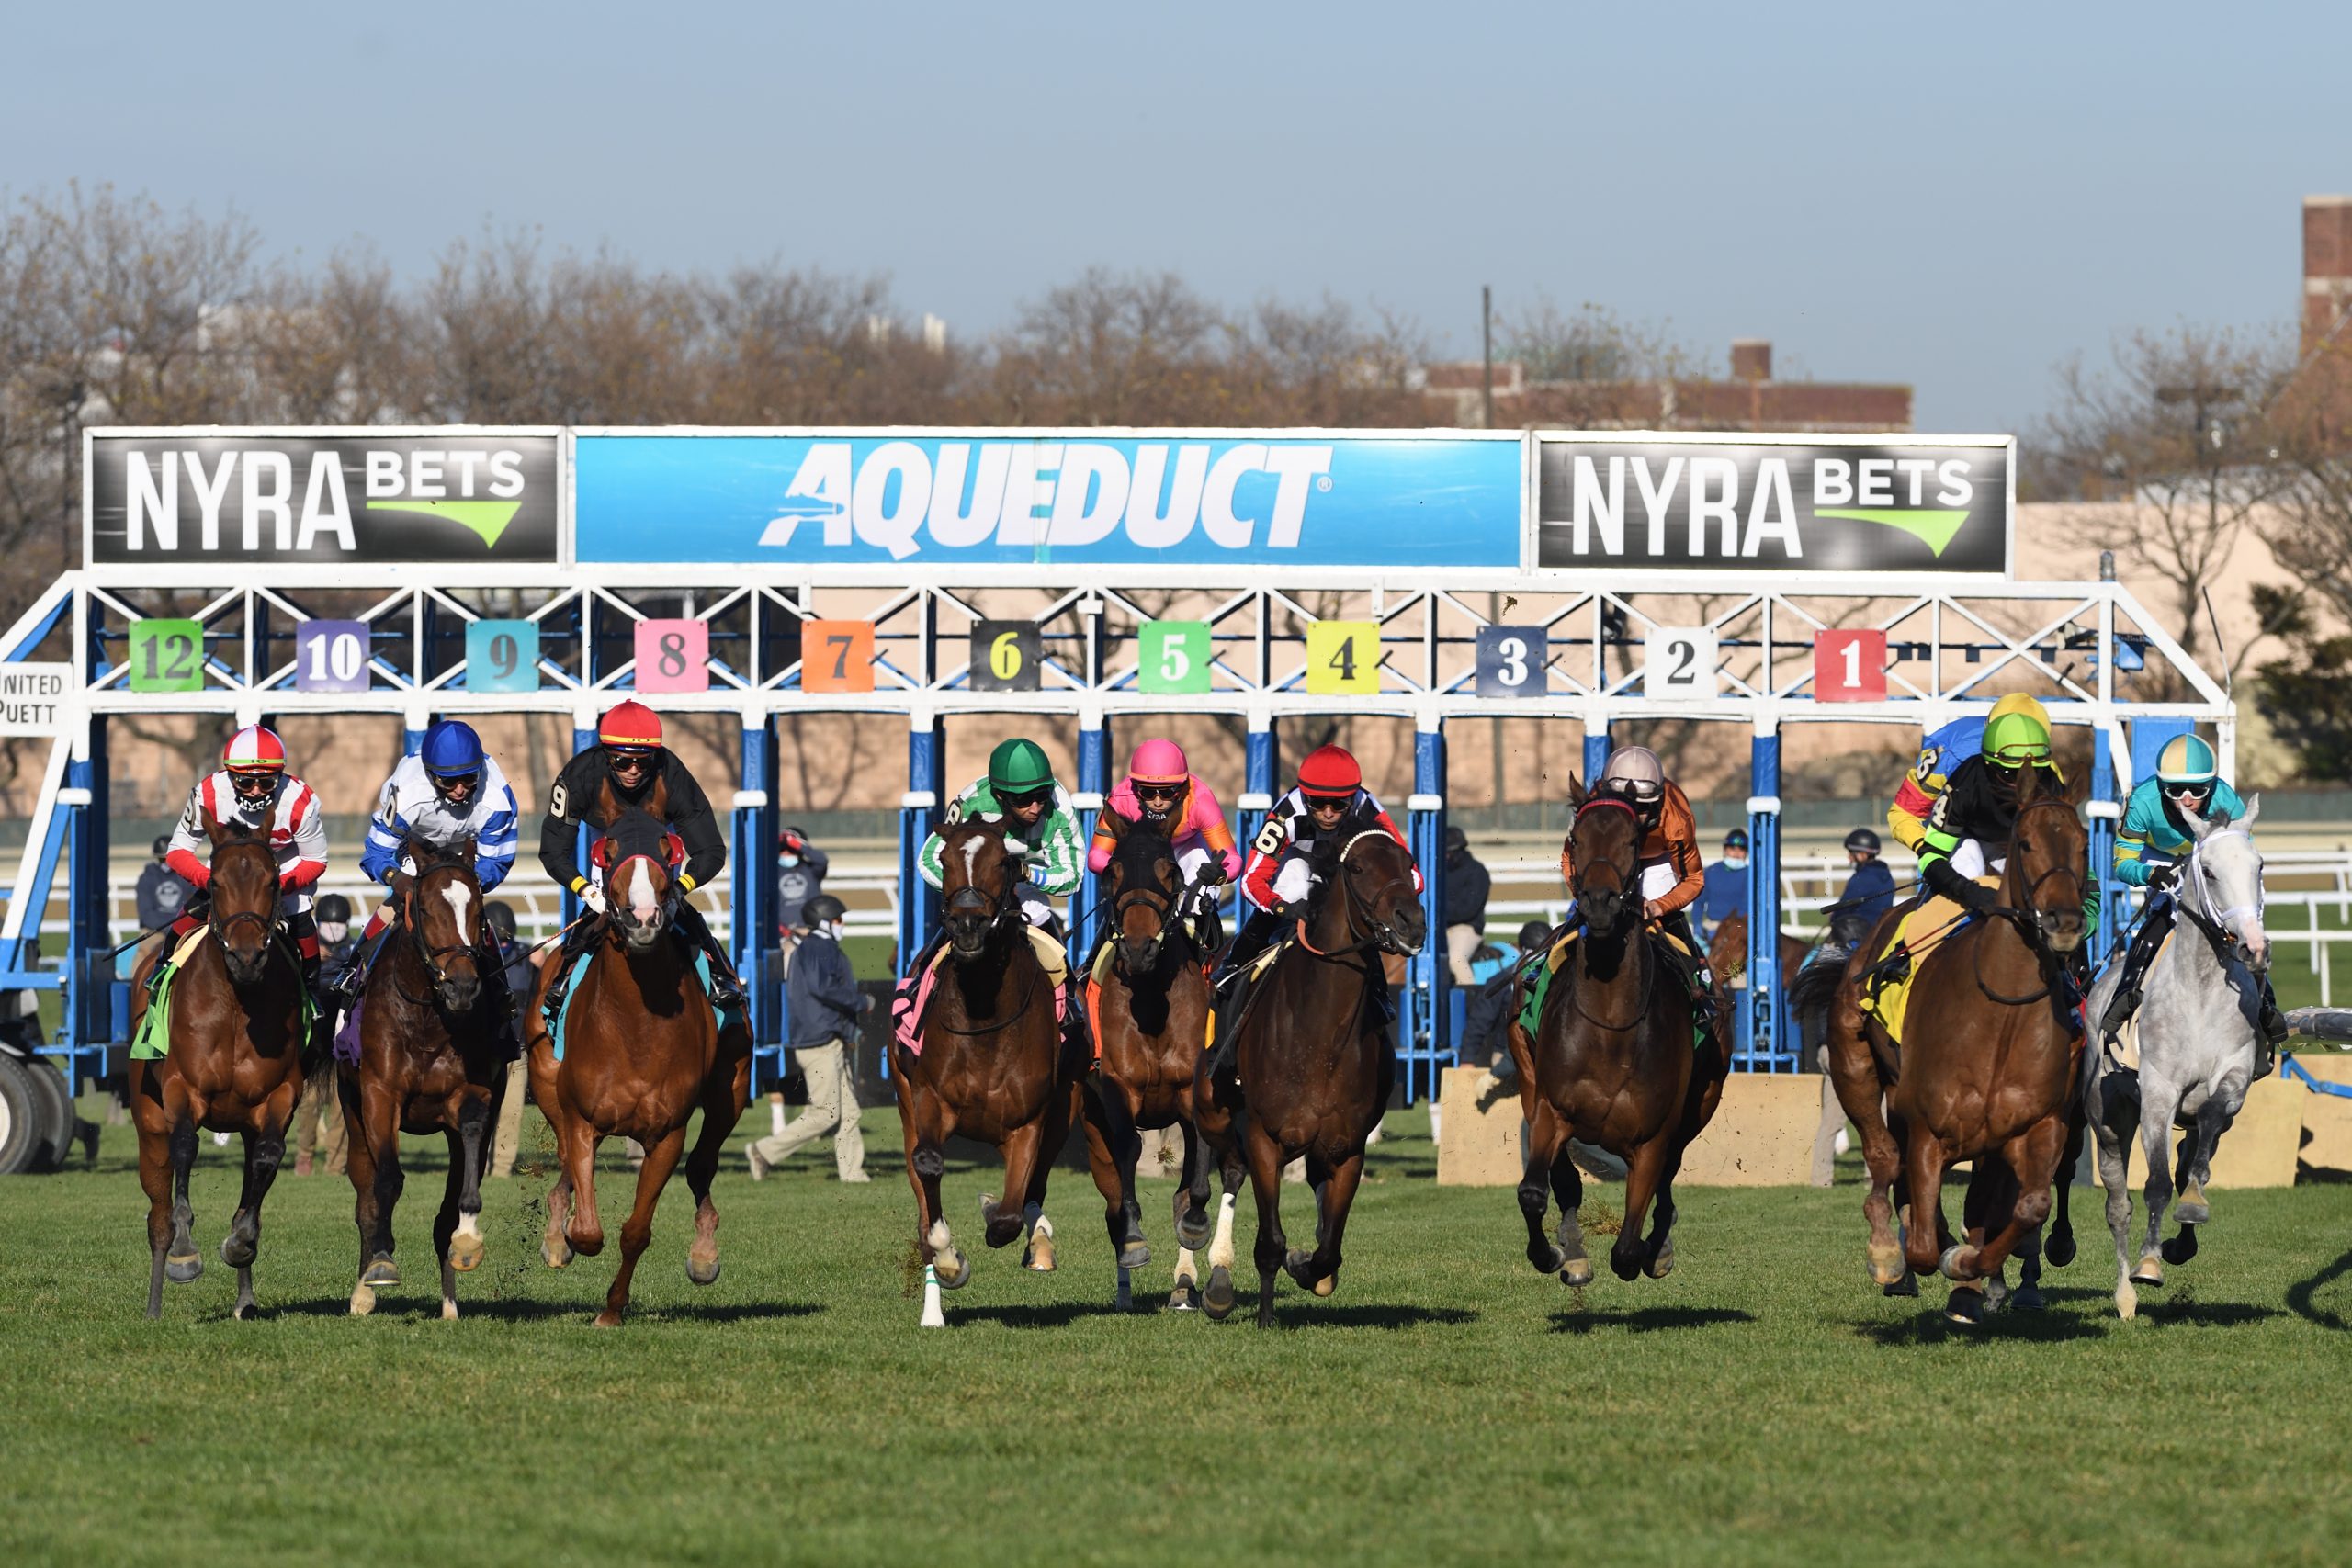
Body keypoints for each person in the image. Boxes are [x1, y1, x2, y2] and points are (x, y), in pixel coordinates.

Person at [537, 699, 743, 1018]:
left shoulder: (672, 775)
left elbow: (711, 851)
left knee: (683, 918)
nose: (633, 770)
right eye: (621, 761)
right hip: (608, 846)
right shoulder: (580, 775)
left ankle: (720, 979)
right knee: (596, 920)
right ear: (606, 755)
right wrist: (587, 891)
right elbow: (553, 850)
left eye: (643, 762)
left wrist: (679, 888)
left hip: (659, 849)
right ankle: (562, 982)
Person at [2098, 733, 2285, 1064]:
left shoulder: (2227, 800)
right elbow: (2122, 863)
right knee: (2161, 915)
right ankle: (2128, 989)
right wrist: (2148, 875)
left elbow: (2239, 856)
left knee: (2241, 926)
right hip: (2161, 859)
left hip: (2210, 855)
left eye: (2197, 790)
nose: (2186, 799)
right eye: (2175, 790)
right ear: (2161, 786)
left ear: (2211, 786)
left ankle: (2265, 1002)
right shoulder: (2142, 802)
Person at [330, 718, 522, 1005]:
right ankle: (353, 971)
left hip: (466, 850)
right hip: (416, 846)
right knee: (394, 906)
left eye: (469, 779)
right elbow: (376, 855)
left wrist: (471, 880)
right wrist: (395, 878)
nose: (460, 789)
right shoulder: (406, 793)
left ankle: (500, 991)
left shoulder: (497, 800)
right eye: (448, 781)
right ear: (431, 775)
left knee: (471, 913)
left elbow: (497, 861)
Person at [153, 726, 331, 1003]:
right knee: (186, 918)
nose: (256, 791)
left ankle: (310, 991)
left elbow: (315, 859)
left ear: (279, 777)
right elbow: (178, 851)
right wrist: (209, 880)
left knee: (301, 919)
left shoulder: (300, 802)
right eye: (246, 782)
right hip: (230, 873)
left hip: (280, 870)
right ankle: (161, 972)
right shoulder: (208, 794)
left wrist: (275, 887)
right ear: (229, 775)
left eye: (267, 783)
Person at [1226, 742, 1414, 980]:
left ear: (1352, 798)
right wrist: (1281, 906)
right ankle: (1231, 970)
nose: (1327, 812)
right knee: (1293, 889)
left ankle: (1378, 991)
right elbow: (1252, 880)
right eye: (1318, 803)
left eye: (1338, 804)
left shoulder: (1367, 806)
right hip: (1298, 861)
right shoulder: (1286, 814)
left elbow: (1413, 874)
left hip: (1343, 866)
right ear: (1305, 798)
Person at [1915, 702, 2098, 935]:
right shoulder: (1966, 784)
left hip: (2014, 843)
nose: (2023, 781)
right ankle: (1904, 951)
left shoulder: (2049, 782)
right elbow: (1930, 856)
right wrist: (1970, 891)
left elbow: (2063, 851)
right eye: (2010, 773)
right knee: (1970, 865)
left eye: (2035, 771)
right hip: (1967, 839)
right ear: (1990, 765)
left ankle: (2070, 969)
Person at [1561, 745, 1714, 1022]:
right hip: (1609, 859)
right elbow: (1569, 861)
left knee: (1665, 928)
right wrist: (1586, 898)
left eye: (1643, 807)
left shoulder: (1676, 819)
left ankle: (1699, 988)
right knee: (1581, 917)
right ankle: (1538, 977)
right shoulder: (1594, 806)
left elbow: (1694, 878)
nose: (1634, 814)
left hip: (1658, 861)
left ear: (1656, 800)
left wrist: (1658, 906)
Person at [744, 894, 869, 1182]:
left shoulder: (816, 948)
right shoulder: (821, 949)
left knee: (850, 1111)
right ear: (824, 922)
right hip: (819, 1043)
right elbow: (823, 989)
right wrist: (861, 1002)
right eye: (839, 919)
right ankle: (764, 1151)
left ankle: (852, 1172)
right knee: (826, 1113)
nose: (842, 925)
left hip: (825, 1040)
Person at [1087, 738, 1241, 952]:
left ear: (1182, 786)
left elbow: (1232, 860)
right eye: (1148, 792)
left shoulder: (1200, 799)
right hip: (1138, 854)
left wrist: (1218, 875)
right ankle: (1091, 967)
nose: (1158, 801)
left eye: (1167, 792)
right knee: (1123, 893)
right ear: (1135, 787)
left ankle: (1213, 966)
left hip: (1185, 849)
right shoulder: (1121, 799)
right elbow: (1095, 857)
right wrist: (1124, 868)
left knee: (1201, 879)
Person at [1887, 693, 2052, 853]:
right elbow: (1904, 813)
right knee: (1968, 859)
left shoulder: (2046, 763)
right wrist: (1929, 854)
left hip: (1999, 825)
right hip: (1956, 821)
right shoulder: (1953, 758)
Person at [292, 890, 357, 1178]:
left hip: (342, 1044)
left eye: (339, 923)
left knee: (342, 1113)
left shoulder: (356, 952)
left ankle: (335, 1165)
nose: (333, 929)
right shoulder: (307, 953)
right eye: (328, 923)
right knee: (309, 1106)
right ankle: (303, 1157)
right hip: (316, 1043)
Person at [483, 900, 542, 1179]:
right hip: (487, 1048)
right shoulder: (480, 960)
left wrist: (540, 966)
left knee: (511, 1111)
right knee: (484, 1108)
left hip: (517, 1047)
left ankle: (502, 1166)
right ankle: (479, 1162)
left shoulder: (527, 957)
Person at [1464, 919, 1552, 1076]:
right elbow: (1479, 1022)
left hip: (1536, 1056)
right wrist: (1467, 1060)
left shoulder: (1500, 980)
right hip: (1515, 1056)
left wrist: (1467, 1060)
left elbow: (1479, 1021)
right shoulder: (1501, 981)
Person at [1442, 825, 1491, 987]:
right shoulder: (1440, 871)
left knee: (1456, 959)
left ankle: (1470, 1000)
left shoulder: (1477, 872)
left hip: (1467, 928)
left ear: (1460, 850)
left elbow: (1467, 910)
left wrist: (1439, 911)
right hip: (1440, 927)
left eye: (1449, 853)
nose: (1446, 857)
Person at [1695, 829, 1749, 944]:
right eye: (1732, 849)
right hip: (1711, 927)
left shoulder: (1750, 875)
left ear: (1746, 853)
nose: (1736, 854)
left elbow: (1745, 907)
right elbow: (1699, 902)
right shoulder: (1711, 871)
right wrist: (1697, 925)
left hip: (1738, 929)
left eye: (1741, 850)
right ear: (1725, 850)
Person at [134, 833, 196, 935]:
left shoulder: (186, 877)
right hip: (154, 930)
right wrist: (168, 927)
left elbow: (194, 905)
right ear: (157, 858)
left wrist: (180, 925)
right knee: (144, 951)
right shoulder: (146, 879)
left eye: (169, 859)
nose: (166, 863)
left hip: (183, 928)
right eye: (162, 859)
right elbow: (146, 914)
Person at [776, 827, 831, 939]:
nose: (786, 853)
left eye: (791, 850)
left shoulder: (811, 870)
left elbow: (822, 860)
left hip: (811, 932)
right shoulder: (773, 872)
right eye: (782, 849)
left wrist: (796, 843)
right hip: (784, 935)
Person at [1837, 828, 1896, 929]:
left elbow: (1842, 910)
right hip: (1882, 932)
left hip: (1858, 935)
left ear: (1863, 855)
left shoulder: (1860, 879)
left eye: (1851, 853)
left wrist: (1833, 917)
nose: (1849, 858)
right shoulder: (1887, 877)